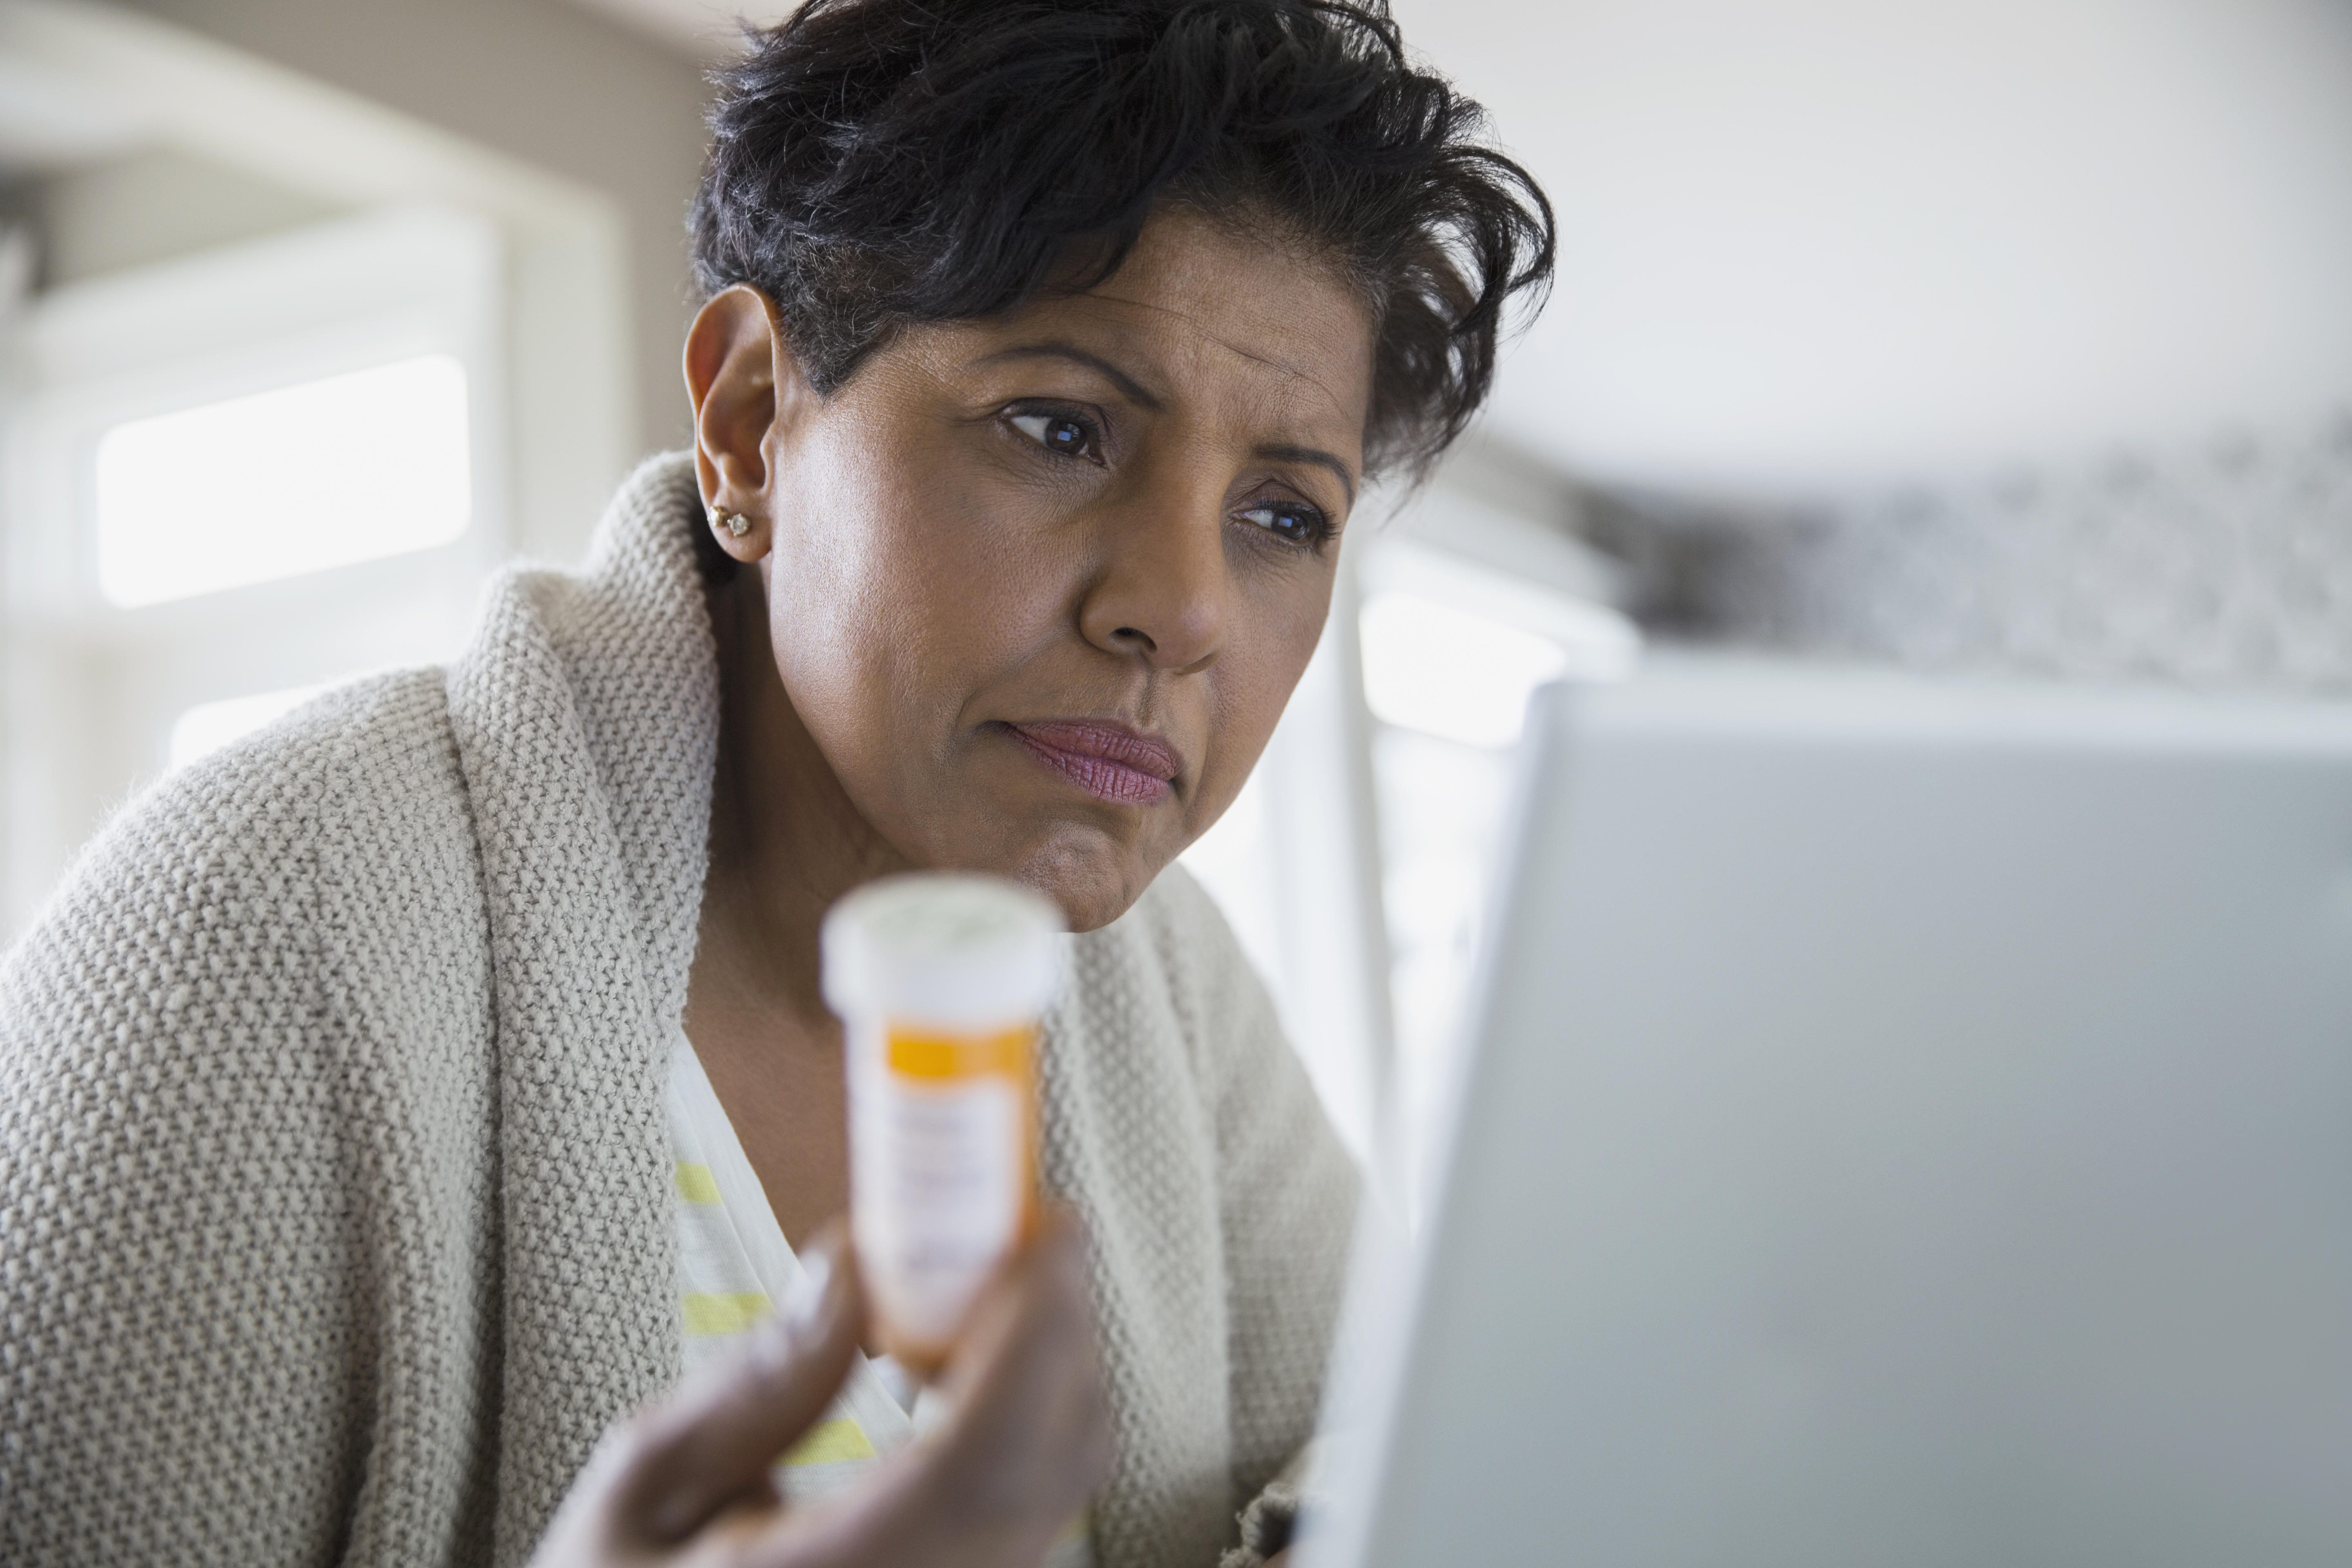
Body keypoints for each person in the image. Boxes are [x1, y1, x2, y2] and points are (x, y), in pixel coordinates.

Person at [0, 2, 1551, 1564]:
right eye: (1060, 428)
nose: (1184, 608)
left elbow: (1403, 1464)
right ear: (750, 425)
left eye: (1284, 516)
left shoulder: (1177, 997)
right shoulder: (249, 934)